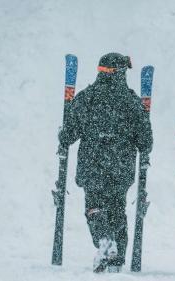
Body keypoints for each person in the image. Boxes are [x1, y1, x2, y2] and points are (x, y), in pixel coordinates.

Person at [58, 53, 153, 273]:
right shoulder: (131, 101)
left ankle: (103, 239)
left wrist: (62, 134)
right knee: (117, 209)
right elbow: (145, 142)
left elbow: (68, 136)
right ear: (120, 74)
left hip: (92, 165)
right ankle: (117, 256)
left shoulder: (86, 97)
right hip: (121, 167)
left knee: (94, 206)